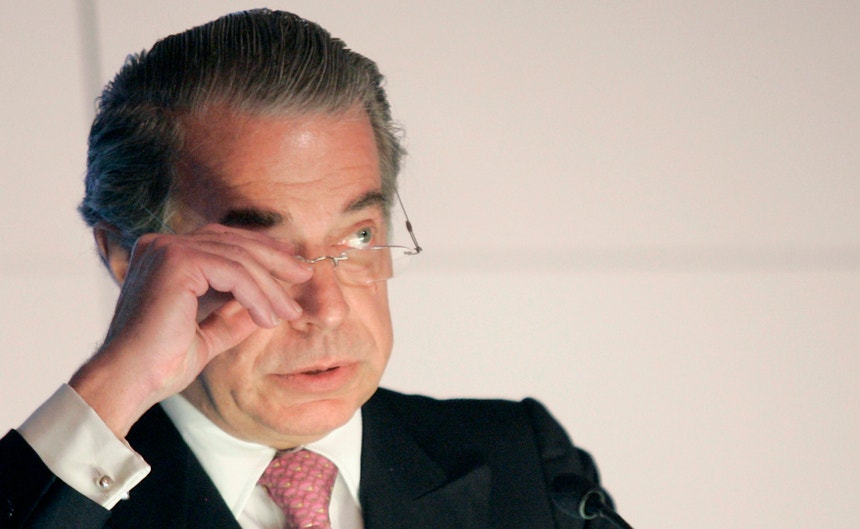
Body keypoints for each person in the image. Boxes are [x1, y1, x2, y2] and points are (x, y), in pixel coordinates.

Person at [0, 9, 613, 529]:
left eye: (359, 236)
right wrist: (115, 386)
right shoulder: (68, 499)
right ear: (127, 258)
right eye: (257, 255)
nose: (329, 309)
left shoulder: (524, 463)